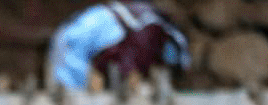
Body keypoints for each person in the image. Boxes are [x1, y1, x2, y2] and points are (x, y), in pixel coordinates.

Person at [47, 1, 190, 90]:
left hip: (75, 33)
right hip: (79, 38)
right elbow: (131, 70)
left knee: (75, 100)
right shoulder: (154, 34)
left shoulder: (154, 26)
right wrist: (141, 89)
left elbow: (105, 64)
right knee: (76, 100)